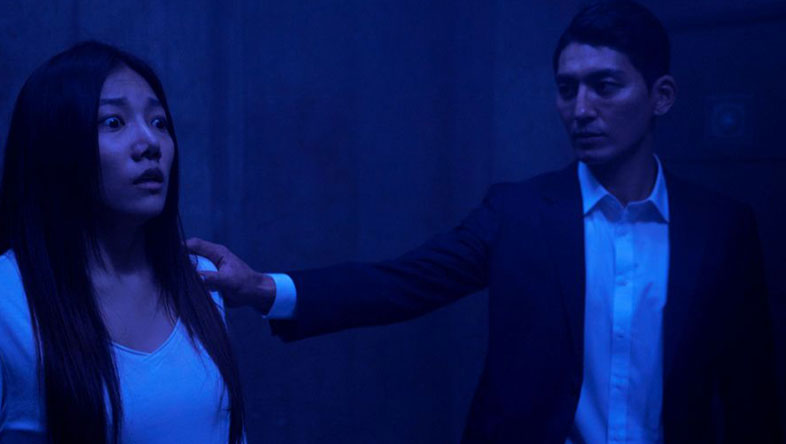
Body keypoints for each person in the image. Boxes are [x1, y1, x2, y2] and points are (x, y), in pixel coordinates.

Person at [188, 1, 780, 443]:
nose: (581, 109)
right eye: (567, 89)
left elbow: (750, 394)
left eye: (605, 86)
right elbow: (403, 282)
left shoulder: (721, 230)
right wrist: (265, 288)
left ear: (661, 96)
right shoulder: (520, 214)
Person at [0, 42, 244, 444]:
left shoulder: (200, 280)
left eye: (159, 122)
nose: (150, 143)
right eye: (114, 122)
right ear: (56, 146)